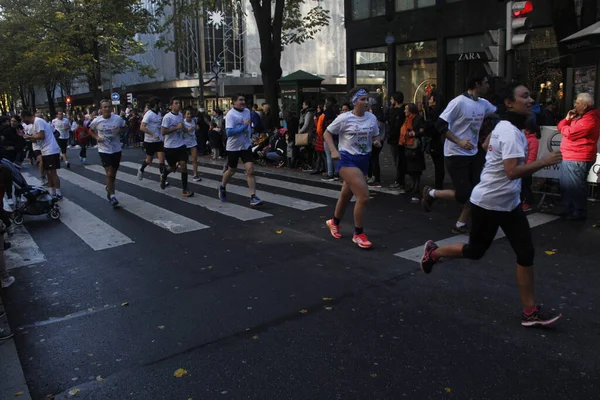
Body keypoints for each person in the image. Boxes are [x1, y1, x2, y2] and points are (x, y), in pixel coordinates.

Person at [419, 83, 563, 327]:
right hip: (488, 203)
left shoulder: (504, 126)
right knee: (475, 251)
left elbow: (486, 146)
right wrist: (544, 161)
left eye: (530, 96)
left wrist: (491, 153)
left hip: (509, 203)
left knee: (525, 252)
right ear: (509, 102)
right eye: (524, 96)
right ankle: (433, 253)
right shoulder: (509, 131)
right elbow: (511, 171)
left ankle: (529, 311)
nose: (530, 100)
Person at [421, 72, 497, 234]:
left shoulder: (483, 103)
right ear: (477, 84)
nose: (488, 86)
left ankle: (460, 224)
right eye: (485, 82)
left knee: (476, 191)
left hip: (474, 153)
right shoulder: (458, 102)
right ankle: (432, 193)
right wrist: (459, 141)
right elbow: (440, 125)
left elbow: (500, 114)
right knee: (465, 194)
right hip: (455, 154)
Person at [324, 87, 380, 249]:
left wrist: (377, 141)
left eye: (367, 99)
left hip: (364, 160)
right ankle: (358, 234)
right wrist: (333, 151)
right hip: (347, 160)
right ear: (354, 102)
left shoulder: (372, 118)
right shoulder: (344, 118)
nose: (366, 102)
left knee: (346, 195)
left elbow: (375, 135)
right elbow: (327, 133)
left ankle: (334, 222)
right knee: (363, 197)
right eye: (362, 99)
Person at [557, 92, 600, 220]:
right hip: (572, 155)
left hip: (578, 156)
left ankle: (579, 211)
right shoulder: (582, 117)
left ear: (585, 105)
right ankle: (568, 208)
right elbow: (563, 127)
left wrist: (565, 124)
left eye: (577, 103)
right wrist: (567, 120)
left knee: (576, 186)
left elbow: (568, 132)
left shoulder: (589, 120)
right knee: (567, 185)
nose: (574, 105)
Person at [218, 93, 263, 206]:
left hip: (245, 146)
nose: (243, 102)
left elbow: (249, 125)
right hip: (233, 147)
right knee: (232, 171)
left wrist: (251, 132)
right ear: (234, 102)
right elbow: (229, 132)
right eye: (240, 100)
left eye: (244, 100)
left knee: (250, 170)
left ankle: (253, 196)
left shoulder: (247, 111)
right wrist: (243, 126)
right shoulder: (230, 115)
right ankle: (222, 186)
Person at [88, 99, 127, 207]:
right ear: (101, 109)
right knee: (109, 173)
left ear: (111, 108)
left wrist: (119, 131)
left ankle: (108, 187)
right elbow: (90, 130)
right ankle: (113, 196)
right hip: (104, 150)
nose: (107, 109)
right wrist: (97, 137)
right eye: (104, 107)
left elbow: (125, 126)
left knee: (112, 174)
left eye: (109, 107)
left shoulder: (117, 119)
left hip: (116, 149)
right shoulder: (97, 121)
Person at [21, 110, 63, 199]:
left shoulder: (38, 121)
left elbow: (41, 136)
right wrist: (27, 137)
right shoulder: (35, 123)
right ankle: (52, 191)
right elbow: (37, 139)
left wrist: (29, 137)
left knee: (52, 172)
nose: (23, 122)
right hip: (45, 150)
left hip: (50, 150)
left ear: (26, 117)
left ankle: (58, 193)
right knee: (48, 172)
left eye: (23, 119)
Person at [160, 97, 194, 197]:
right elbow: (163, 132)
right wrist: (176, 128)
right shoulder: (167, 117)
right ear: (171, 105)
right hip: (170, 146)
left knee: (183, 165)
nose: (178, 105)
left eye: (179, 103)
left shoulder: (180, 116)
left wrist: (186, 130)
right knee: (173, 167)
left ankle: (185, 189)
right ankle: (164, 174)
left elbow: (182, 128)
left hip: (181, 144)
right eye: (176, 103)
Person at [137, 97, 167, 182]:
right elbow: (142, 127)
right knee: (149, 160)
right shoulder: (148, 114)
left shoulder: (159, 113)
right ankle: (141, 169)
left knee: (162, 160)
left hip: (159, 140)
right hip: (149, 141)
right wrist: (153, 134)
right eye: (159, 104)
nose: (161, 105)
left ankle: (162, 179)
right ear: (155, 104)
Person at [386, 92, 406, 191]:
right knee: (399, 161)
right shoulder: (401, 110)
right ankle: (400, 180)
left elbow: (393, 125)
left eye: (392, 99)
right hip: (399, 139)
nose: (390, 101)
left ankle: (399, 181)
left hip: (396, 139)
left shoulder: (396, 112)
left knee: (398, 161)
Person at [521, 120, 540, 212]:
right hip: (522, 167)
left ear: (528, 130)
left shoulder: (533, 140)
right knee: (523, 186)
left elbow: (532, 155)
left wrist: (528, 167)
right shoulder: (524, 138)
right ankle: (525, 202)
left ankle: (528, 203)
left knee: (525, 186)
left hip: (527, 168)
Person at [183, 108, 201, 181]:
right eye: (187, 114)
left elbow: (196, 128)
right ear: (184, 115)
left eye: (190, 114)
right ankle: (183, 173)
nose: (189, 115)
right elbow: (180, 131)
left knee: (194, 159)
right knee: (184, 161)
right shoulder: (182, 122)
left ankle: (195, 175)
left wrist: (197, 128)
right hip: (184, 143)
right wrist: (187, 130)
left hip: (193, 142)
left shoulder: (194, 121)